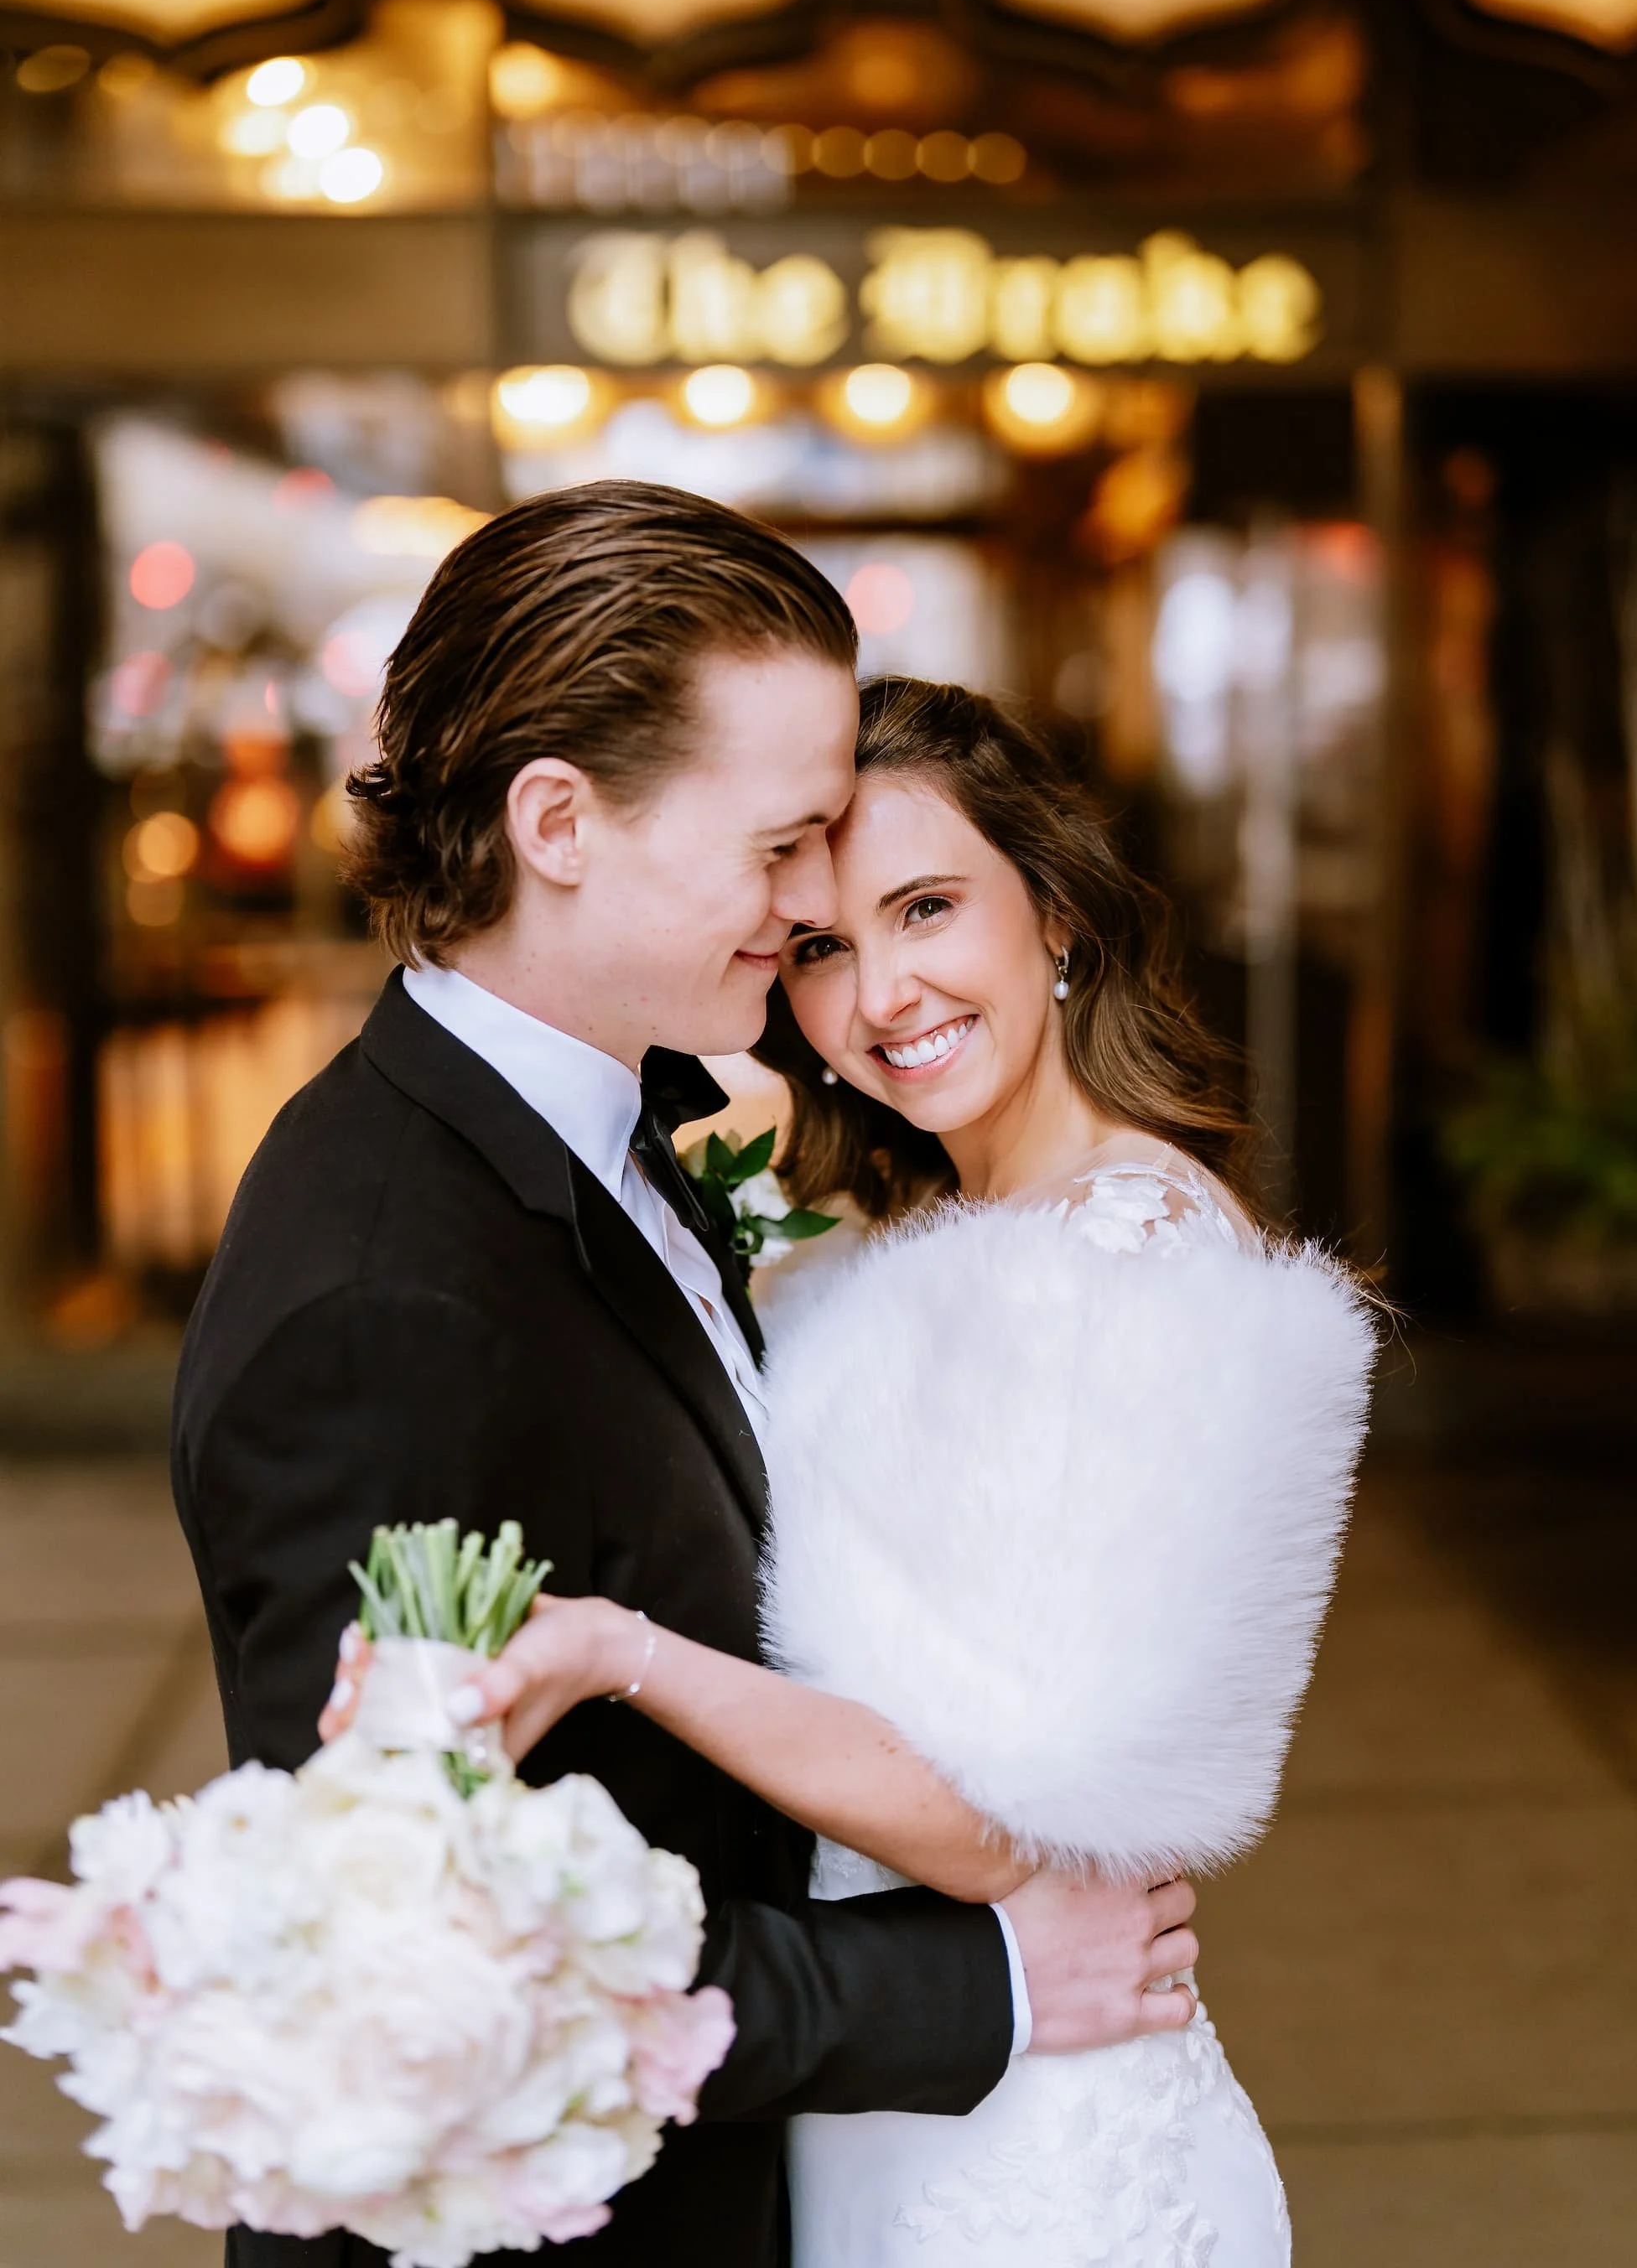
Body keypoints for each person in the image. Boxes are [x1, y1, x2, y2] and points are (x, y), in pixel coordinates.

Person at [171, 484, 1204, 2268]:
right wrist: (983, 1984)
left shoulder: (619, 1124)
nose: (816, 903)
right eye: (785, 844)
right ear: (558, 821)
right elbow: (412, 1945)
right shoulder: (384, 1302)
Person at [330, 676, 1375, 2265]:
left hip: (1030, 2149)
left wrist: (622, 1654)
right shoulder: (895, 1239)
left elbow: (998, 1816)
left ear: (1058, 914)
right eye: (821, 944)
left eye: (928, 907)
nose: (882, 994)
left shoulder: (1133, 1259)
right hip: (881, 2089)